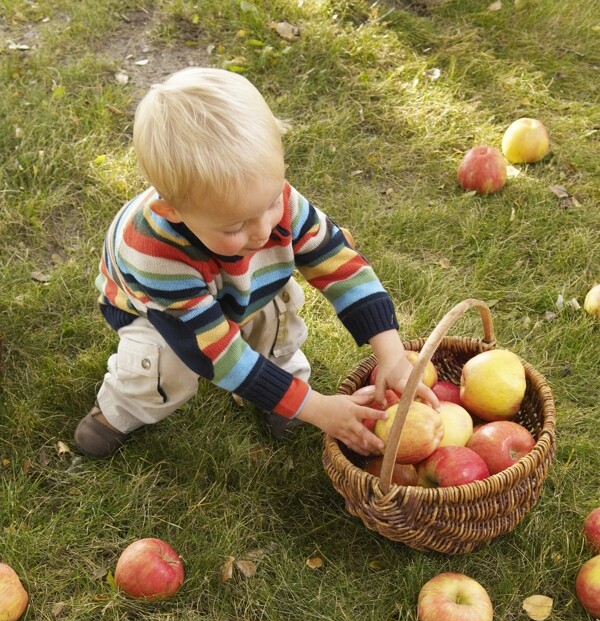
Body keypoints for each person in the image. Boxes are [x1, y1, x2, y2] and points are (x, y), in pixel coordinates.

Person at [74, 67, 438, 459]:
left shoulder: (277, 202)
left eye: (270, 203)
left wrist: (392, 356)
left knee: (277, 317)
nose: (264, 229)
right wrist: (318, 409)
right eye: (236, 225)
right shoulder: (155, 257)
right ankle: (121, 408)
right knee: (166, 368)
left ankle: (282, 384)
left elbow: (341, 267)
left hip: (247, 286)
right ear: (174, 211)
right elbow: (217, 354)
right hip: (157, 314)